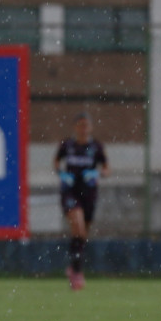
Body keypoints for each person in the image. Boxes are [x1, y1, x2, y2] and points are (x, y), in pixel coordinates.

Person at [53, 112, 109, 290]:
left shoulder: (96, 147)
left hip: (89, 194)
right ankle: (77, 274)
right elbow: (56, 161)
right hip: (70, 192)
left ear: (90, 128)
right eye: (80, 125)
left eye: (86, 125)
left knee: (82, 234)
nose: (83, 129)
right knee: (77, 224)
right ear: (75, 127)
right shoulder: (67, 145)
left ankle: (74, 268)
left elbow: (107, 168)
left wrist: (97, 173)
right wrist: (61, 173)